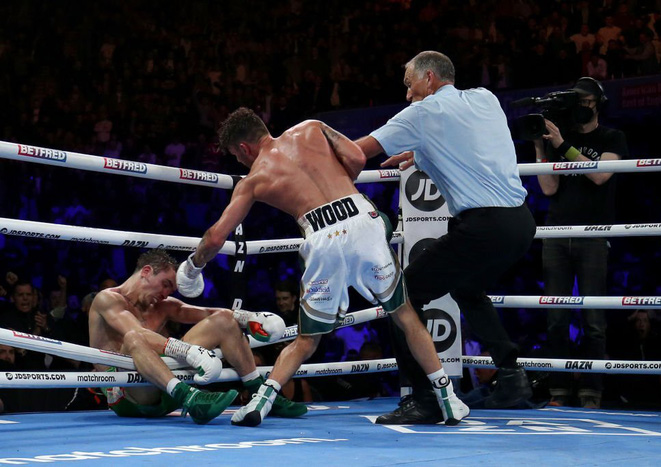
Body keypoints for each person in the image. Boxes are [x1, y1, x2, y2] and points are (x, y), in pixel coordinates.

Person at [176, 107, 469, 427]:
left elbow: (217, 237)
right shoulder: (311, 127)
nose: (239, 162)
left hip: (321, 236)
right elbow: (357, 158)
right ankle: (448, 399)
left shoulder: (253, 180)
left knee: (306, 338)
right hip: (362, 218)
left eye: (236, 156)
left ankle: (259, 404)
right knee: (405, 315)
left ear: (244, 149)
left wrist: (193, 265)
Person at [354, 50, 536, 424]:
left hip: (483, 225)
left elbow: (357, 152)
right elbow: (470, 144)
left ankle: (424, 399)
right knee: (467, 289)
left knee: (400, 297)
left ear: (430, 78)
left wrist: (307, 147)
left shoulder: (422, 113)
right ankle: (512, 379)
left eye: (409, 84)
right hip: (520, 223)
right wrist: (421, 155)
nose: (407, 94)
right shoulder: (486, 98)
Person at [89, 249, 306, 424]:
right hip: (130, 396)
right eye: (165, 284)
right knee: (134, 337)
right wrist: (187, 351)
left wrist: (248, 317)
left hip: (164, 388)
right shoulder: (108, 300)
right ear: (146, 271)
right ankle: (191, 399)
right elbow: (137, 333)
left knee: (223, 320)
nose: (166, 294)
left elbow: (208, 313)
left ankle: (261, 395)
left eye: (171, 290)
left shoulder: (162, 306)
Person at [534, 77, 628, 409]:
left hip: (594, 234)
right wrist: (540, 145)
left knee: (593, 320)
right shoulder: (564, 138)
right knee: (556, 318)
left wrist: (562, 144)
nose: (581, 106)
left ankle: (592, 392)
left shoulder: (612, 136)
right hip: (556, 233)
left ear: (598, 103)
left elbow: (600, 174)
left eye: (586, 100)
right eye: (577, 101)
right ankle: (559, 391)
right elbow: (547, 188)